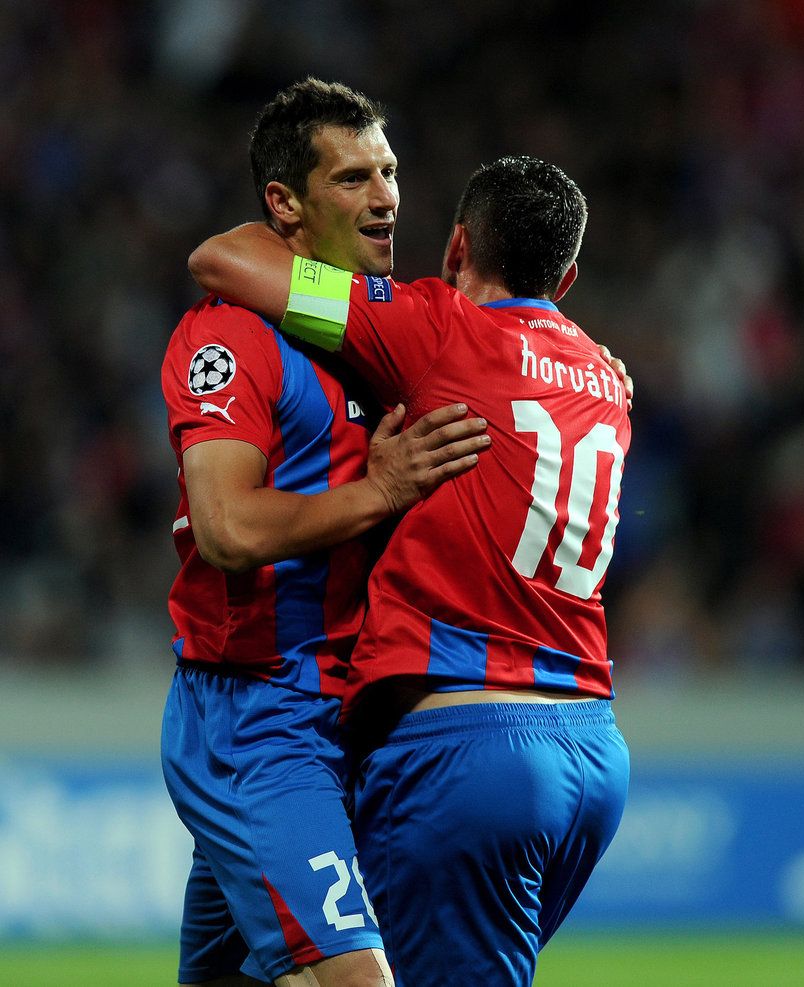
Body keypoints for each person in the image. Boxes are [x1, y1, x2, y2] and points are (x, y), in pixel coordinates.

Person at [191, 149, 632, 985]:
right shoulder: (604, 379)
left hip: (468, 747)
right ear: (567, 279)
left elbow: (221, 261)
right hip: (592, 751)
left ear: (457, 248)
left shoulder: (441, 325)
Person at [160, 80, 491, 987]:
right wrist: (382, 488)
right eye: (352, 179)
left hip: (351, 716)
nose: (385, 196)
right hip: (258, 712)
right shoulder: (228, 337)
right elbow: (226, 527)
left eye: (389, 172)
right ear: (286, 204)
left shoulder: (380, 329)